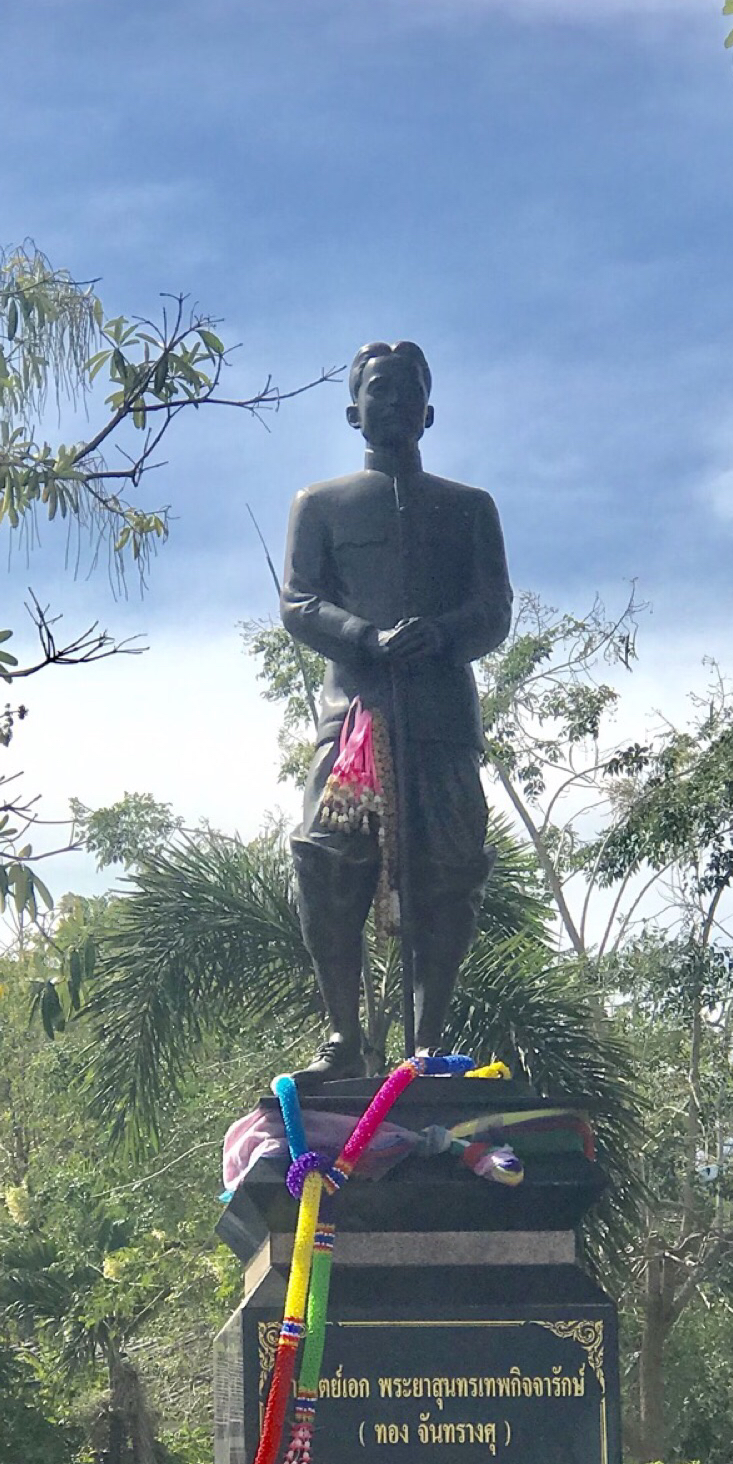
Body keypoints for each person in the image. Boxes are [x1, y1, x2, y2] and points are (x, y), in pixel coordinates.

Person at [280, 341, 513, 1076]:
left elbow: (493, 611)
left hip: (442, 721)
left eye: (409, 392)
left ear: (429, 411)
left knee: (449, 871)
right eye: (379, 392)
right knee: (327, 862)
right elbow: (299, 602)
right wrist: (364, 636)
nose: (395, 405)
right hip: (356, 715)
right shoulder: (319, 505)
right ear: (354, 411)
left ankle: (426, 1043)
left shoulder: (469, 509)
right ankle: (344, 1039)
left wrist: (441, 634)